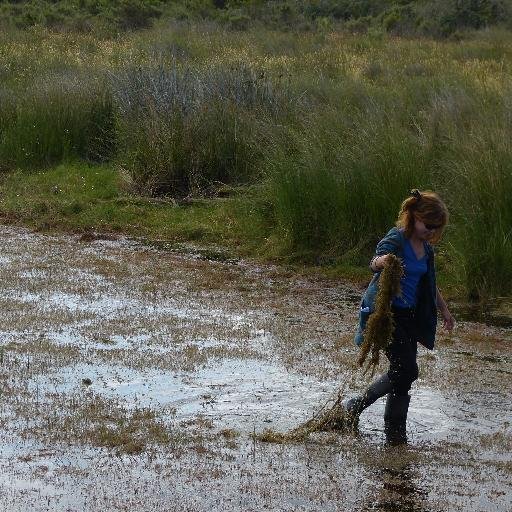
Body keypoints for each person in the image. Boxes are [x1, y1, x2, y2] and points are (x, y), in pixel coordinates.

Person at [345, 189, 455, 443]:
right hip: (386, 315)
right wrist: (384, 261)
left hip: (410, 317)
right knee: (407, 369)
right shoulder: (397, 239)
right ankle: (358, 405)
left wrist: (445, 310)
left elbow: (429, 284)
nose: (431, 231)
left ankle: (395, 429)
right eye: (428, 225)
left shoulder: (426, 250)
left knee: (403, 375)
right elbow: (373, 262)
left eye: (436, 228)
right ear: (414, 217)